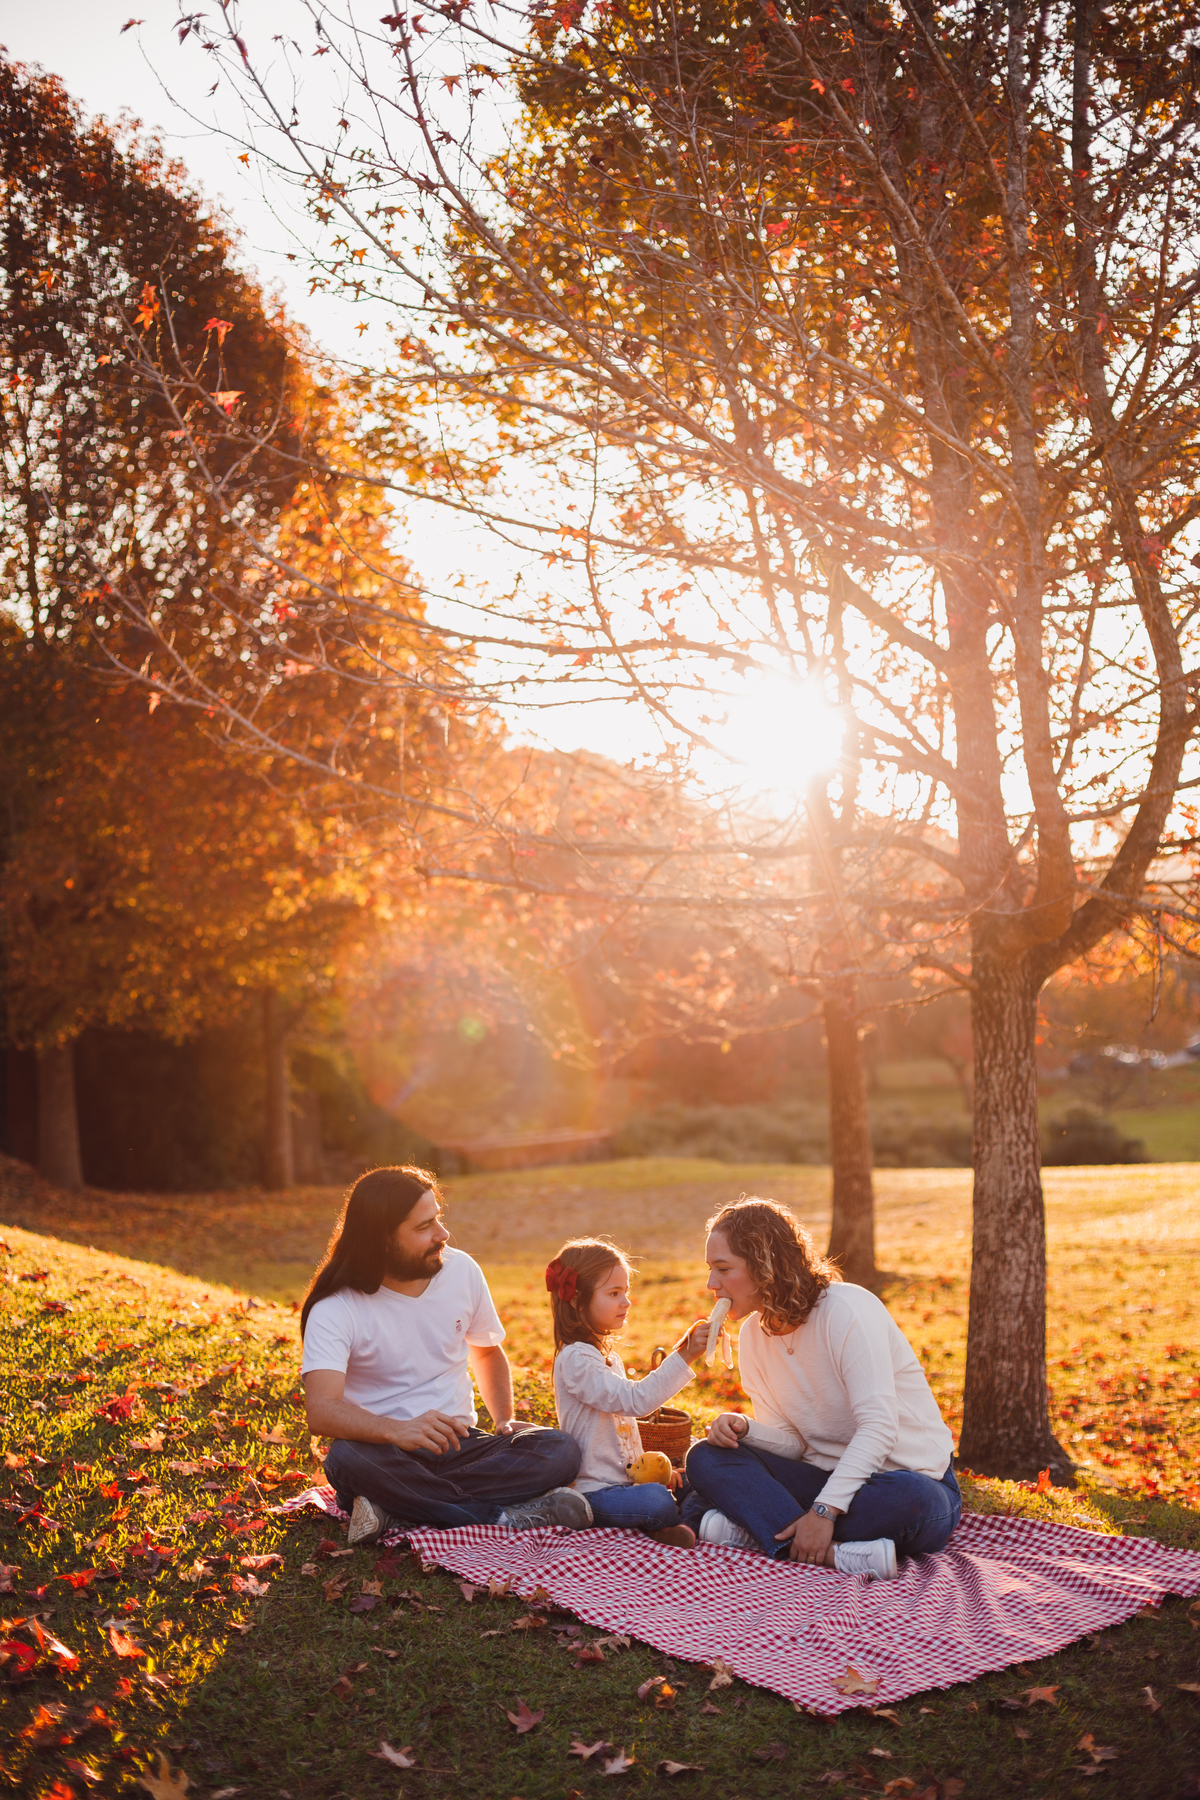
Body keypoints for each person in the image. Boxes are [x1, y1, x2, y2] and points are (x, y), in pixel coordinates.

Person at [301, 1165, 588, 1544]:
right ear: (381, 1240)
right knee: (344, 1459)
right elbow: (321, 1409)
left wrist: (504, 1420)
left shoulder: (461, 1270)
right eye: (423, 1227)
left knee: (560, 1449)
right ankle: (499, 1518)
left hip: (461, 1446)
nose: (442, 1234)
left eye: (436, 1219)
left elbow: (486, 1353)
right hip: (385, 1454)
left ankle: (399, 1509)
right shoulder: (336, 1308)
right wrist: (398, 1430)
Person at [684, 1198, 960, 1579]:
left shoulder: (847, 1310)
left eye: (723, 1269)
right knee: (705, 1458)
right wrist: (746, 1429)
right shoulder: (753, 1335)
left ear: (765, 1266)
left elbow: (878, 1428)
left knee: (916, 1502)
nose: (712, 1284)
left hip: (905, 1479)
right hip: (821, 1479)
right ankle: (834, 1555)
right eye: (711, 1270)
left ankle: (756, 1532)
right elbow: (794, 1444)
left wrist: (823, 1511)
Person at [548, 1238, 710, 1547]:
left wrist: (657, 1472)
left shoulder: (608, 1358)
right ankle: (678, 1519)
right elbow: (635, 1401)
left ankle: (679, 1525)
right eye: (613, 1293)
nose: (626, 1302)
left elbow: (626, 1435)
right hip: (598, 1492)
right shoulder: (575, 1360)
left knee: (703, 1473)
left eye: (626, 1292)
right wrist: (686, 1355)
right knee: (654, 1501)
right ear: (577, 1300)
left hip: (632, 1482)